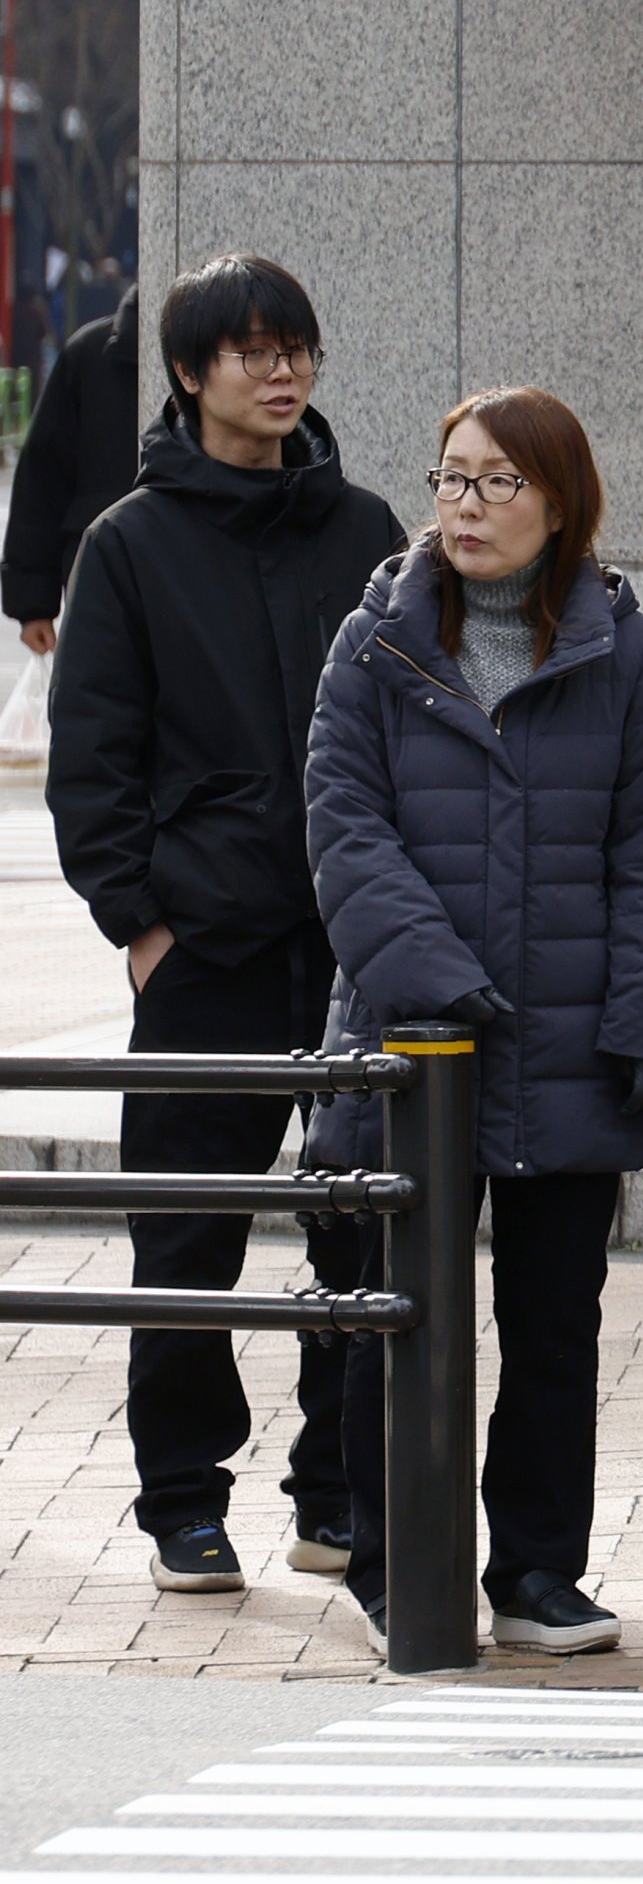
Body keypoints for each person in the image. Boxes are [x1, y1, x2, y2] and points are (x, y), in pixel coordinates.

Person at [303, 387, 643, 1658]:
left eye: (497, 483)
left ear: (561, 502)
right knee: (389, 1312)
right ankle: (389, 1559)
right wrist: (441, 985)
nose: (465, 506)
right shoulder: (376, 641)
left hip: (571, 1039)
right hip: (413, 1044)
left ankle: (536, 1571)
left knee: (553, 1319)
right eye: (451, 479)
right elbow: (343, 830)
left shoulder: (624, 648)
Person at [46, 255, 401, 1593]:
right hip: (205, 949)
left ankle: (335, 1491)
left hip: (356, 944)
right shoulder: (129, 542)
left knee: (360, 1230)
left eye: (294, 346)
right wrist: (144, 923)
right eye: (248, 349)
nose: (278, 370)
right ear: (190, 371)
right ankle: (183, 1499)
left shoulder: (364, 524)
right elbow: (94, 761)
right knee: (184, 1237)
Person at [5, 282, 137, 647]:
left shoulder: (227, 356)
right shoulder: (90, 354)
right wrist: (33, 603)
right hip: (98, 576)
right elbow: (43, 479)